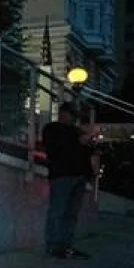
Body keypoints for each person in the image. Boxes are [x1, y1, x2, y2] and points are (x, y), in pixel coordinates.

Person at [41, 101, 96, 259]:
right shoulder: (52, 129)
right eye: (72, 115)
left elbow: (87, 153)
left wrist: (89, 175)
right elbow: (54, 150)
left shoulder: (76, 131)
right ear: (63, 113)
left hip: (78, 175)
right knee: (58, 211)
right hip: (62, 175)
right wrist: (78, 142)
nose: (73, 118)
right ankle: (53, 245)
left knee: (71, 213)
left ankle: (66, 245)